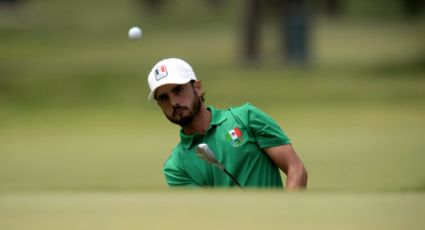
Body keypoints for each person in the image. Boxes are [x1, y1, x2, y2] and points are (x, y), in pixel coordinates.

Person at [147, 58, 308, 189]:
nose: (173, 102)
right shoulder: (176, 167)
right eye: (164, 98)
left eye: (178, 90)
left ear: (198, 87)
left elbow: (296, 169)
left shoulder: (246, 118)